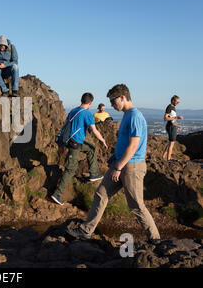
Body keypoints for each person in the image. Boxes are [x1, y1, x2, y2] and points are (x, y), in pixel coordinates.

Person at [67, 84, 160, 243]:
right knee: (101, 194)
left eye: (113, 100)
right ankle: (86, 230)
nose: (111, 104)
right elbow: (125, 144)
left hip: (132, 167)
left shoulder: (135, 116)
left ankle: (155, 239)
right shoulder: (127, 115)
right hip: (119, 164)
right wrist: (115, 160)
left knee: (136, 205)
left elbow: (133, 146)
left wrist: (118, 167)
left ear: (122, 97)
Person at [51, 93, 108, 205]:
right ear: (90, 103)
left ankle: (94, 173)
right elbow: (94, 130)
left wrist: (61, 145)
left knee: (91, 149)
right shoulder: (87, 114)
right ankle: (57, 194)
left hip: (70, 141)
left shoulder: (73, 111)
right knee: (70, 169)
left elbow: (65, 127)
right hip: (75, 144)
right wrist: (102, 140)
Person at [162, 95, 183, 161]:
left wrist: (176, 125)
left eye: (178, 102)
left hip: (172, 126)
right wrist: (177, 117)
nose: (178, 103)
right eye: (177, 102)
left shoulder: (173, 107)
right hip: (170, 127)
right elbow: (165, 118)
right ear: (173, 100)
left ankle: (163, 156)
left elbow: (172, 119)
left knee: (170, 143)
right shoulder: (169, 107)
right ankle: (168, 159)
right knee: (172, 143)